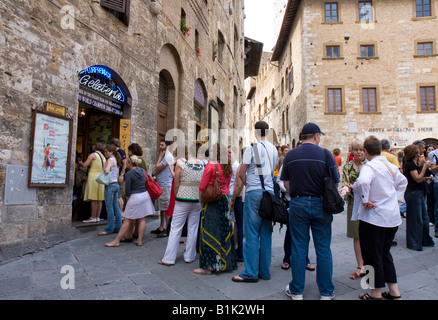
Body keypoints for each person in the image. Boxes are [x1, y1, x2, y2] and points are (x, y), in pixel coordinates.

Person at [280, 122, 338, 300]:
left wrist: (298, 196)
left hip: (298, 204)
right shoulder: (326, 155)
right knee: (323, 248)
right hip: (321, 204)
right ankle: (326, 292)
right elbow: (334, 184)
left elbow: (286, 184)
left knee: (298, 248)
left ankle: (297, 291)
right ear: (316, 136)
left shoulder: (290, 155)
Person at [352, 135, 407, 300]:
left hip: (373, 218)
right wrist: (396, 199)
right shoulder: (390, 166)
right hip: (391, 217)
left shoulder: (369, 167)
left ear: (366, 151)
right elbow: (403, 182)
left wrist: (365, 199)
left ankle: (374, 292)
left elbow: (362, 182)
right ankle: (394, 291)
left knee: (370, 255)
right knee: (385, 254)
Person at [232, 121, 278, 283]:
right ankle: (264, 272)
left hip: (254, 193)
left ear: (255, 132)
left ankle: (251, 272)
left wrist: (247, 183)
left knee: (251, 233)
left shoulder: (252, 148)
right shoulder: (273, 149)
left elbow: (241, 172)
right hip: (269, 193)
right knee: (266, 233)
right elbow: (272, 172)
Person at [158, 145, 205, 266]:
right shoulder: (201, 165)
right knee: (193, 227)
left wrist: (177, 195)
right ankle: (189, 256)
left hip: (183, 199)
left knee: (176, 227)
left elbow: (177, 182)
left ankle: (169, 258)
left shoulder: (181, 163)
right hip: (197, 200)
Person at [195, 143, 236, 275]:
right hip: (224, 200)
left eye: (212, 150)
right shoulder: (228, 167)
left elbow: (202, 187)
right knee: (224, 232)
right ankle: (225, 263)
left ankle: (209, 266)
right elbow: (228, 186)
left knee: (209, 233)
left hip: (212, 202)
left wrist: (201, 202)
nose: (210, 151)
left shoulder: (211, 165)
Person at [105, 155, 155, 247]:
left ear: (130, 163)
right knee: (142, 218)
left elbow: (127, 191)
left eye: (127, 162)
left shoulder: (129, 174)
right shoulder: (142, 171)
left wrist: (126, 196)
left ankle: (116, 241)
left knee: (127, 220)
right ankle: (139, 240)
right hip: (144, 195)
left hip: (135, 196)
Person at [340, 139, 366, 279]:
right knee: (356, 235)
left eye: (361, 149)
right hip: (353, 203)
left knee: (369, 235)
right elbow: (345, 181)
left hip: (368, 204)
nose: (359, 152)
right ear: (352, 152)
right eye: (356, 150)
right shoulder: (348, 166)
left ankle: (369, 265)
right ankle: (360, 266)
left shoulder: (370, 166)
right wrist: (345, 187)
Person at [403, 144, 434, 251]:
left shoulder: (414, 164)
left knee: (423, 218)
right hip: (413, 193)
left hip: (418, 192)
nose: (421, 151)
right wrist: (425, 167)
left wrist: (426, 178)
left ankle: (423, 240)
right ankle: (414, 242)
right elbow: (416, 178)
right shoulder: (409, 165)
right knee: (416, 219)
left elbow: (419, 178)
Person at [152, 140, 175, 237]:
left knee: (165, 208)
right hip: (162, 184)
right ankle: (162, 226)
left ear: (167, 146)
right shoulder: (167, 156)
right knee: (162, 208)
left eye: (162, 145)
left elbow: (157, 167)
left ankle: (166, 228)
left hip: (165, 185)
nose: (160, 147)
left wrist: (160, 157)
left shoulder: (167, 157)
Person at [99, 145, 122, 236]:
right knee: (116, 206)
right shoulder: (116, 160)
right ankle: (118, 227)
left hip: (110, 185)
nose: (105, 153)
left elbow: (106, 171)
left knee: (109, 207)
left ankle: (109, 228)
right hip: (115, 184)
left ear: (111, 152)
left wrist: (104, 168)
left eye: (106, 152)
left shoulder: (109, 160)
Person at [79, 142, 106, 223]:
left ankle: (92, 217)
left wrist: (80, 162)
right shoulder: (103, 157)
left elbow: (85, 165)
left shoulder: (93, 155)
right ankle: (97, 216)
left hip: (93, 177)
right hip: (100, 178)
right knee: (99, 199)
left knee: (94, 198)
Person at [110, 138, 127, 213]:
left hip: (119, 176)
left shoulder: (120, 152)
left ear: (114, 144)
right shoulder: (117, 152)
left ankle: (120, 212)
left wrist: (121, 174)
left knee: (118, 196)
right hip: (117, 176)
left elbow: (124, 163)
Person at [429, 146, 438, 237]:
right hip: (437, 182)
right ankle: (437, 230)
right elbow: (433, 170)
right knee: (437, 207)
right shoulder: (434, 154)